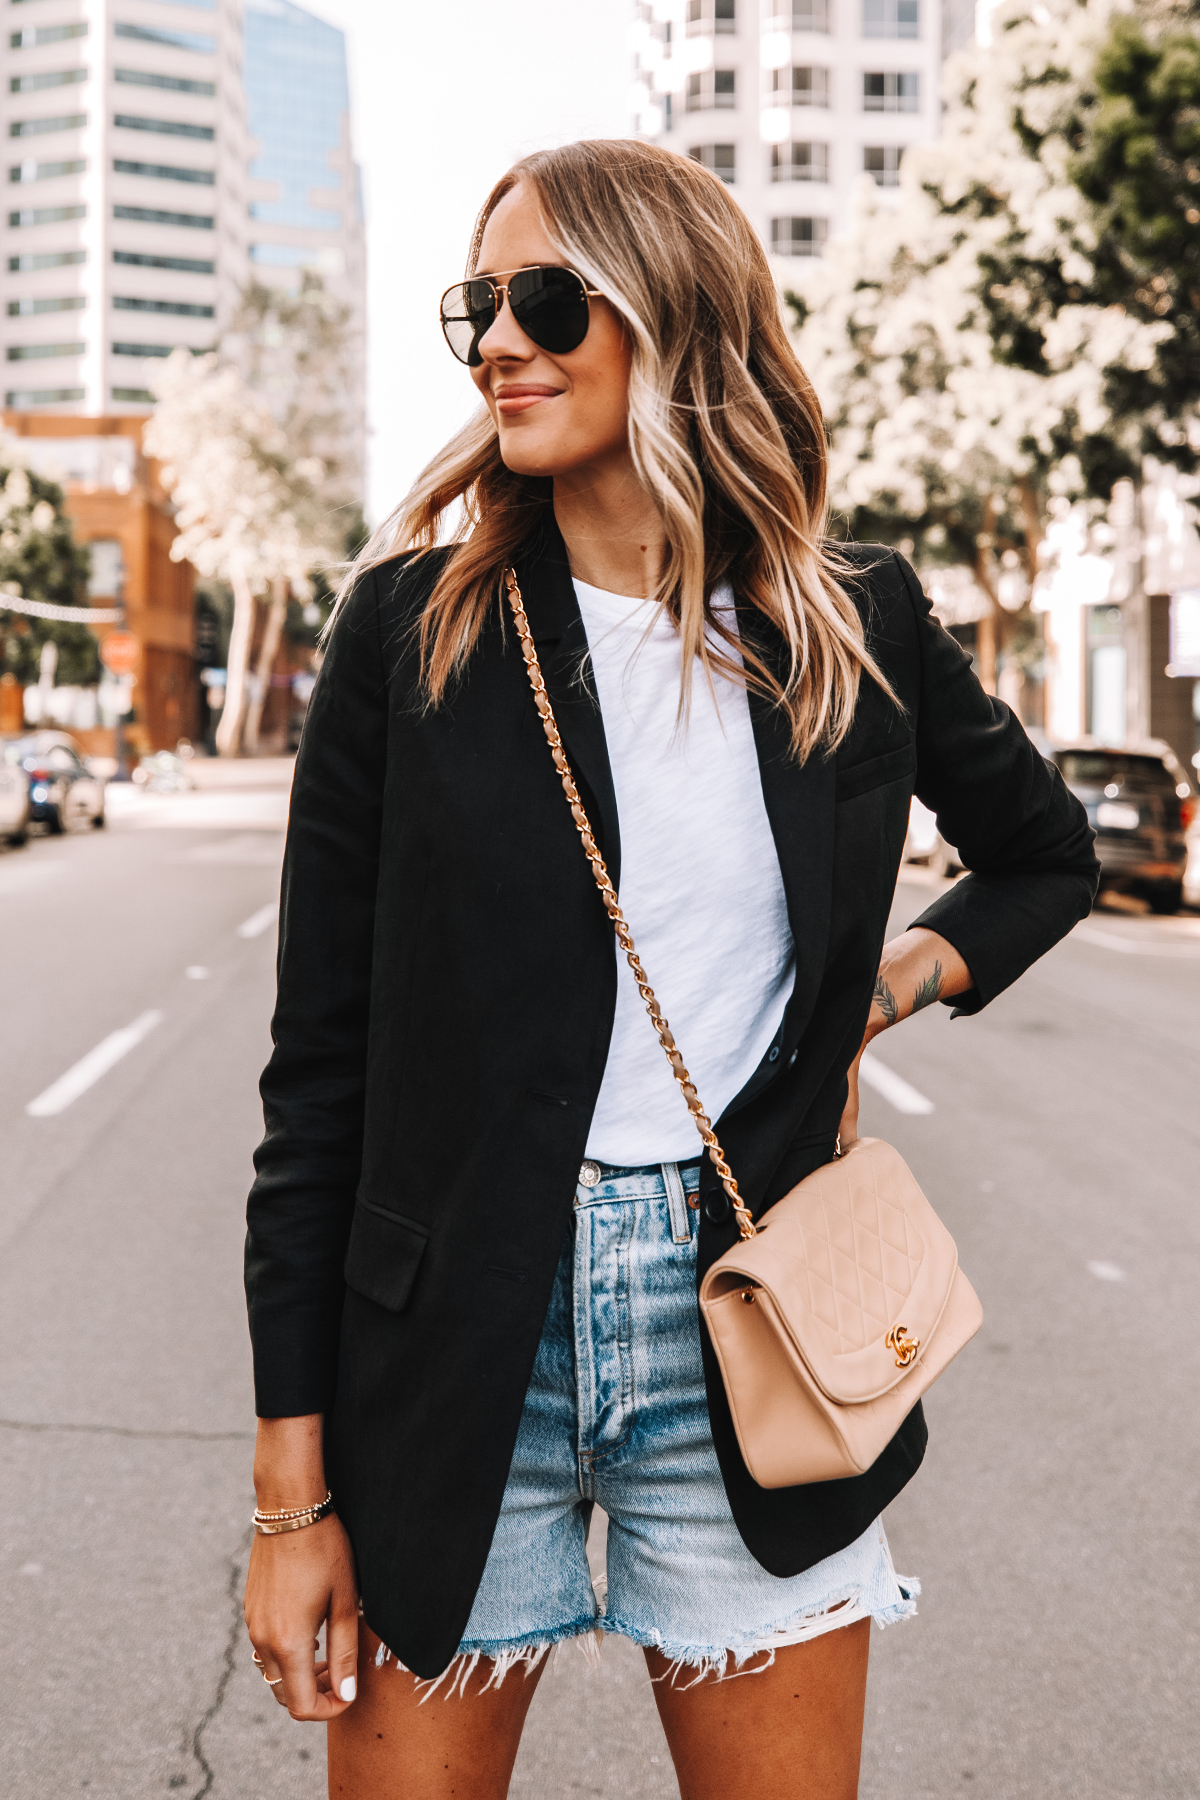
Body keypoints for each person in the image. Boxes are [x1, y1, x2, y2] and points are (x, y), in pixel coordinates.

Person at [242, 140, 1098, 1799]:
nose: (500, 339)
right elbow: (317, 1086)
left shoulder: (848, 620)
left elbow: (1045, 854)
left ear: (677, 317)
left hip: (746, 1329)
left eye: (549, 300)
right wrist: (292, 1500)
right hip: (458, 1345)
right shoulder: (412, 635)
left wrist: (895, 978)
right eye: (477, 306)